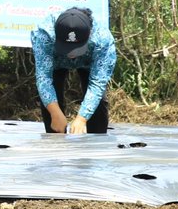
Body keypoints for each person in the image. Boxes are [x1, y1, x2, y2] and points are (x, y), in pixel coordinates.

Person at [30, 7, 117, 135]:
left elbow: (97, 83)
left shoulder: (102, 39)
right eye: (67, 47)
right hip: (56, 63)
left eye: (76, 48)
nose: (71, 54)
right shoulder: (44, 34)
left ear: (90, 34)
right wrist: (55, 112)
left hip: (88, 63)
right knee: (52, 106)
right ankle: (55, 142)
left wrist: (82, 118)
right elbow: (44, 79)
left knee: (98, 103)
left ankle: (98, 143)